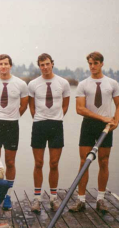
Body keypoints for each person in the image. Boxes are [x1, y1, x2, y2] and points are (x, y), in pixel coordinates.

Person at [69, 52, 119, 213]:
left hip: (106, 128)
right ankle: (81, 200)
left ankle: (101, 199)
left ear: (101, 64)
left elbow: (118, 105)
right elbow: (80, 109)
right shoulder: (83, 84)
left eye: (95, 63)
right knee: (84, 162)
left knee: (103, 162)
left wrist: (115, 121)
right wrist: (103, 118)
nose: (92, 66)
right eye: (90, 63)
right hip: (89, 125)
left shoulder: (112, 83)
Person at [0, 54, 28, 210]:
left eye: (6, 64)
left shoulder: (21, 84)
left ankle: (8, 195)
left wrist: (12, 116)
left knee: (9, 162)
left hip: (12, 126)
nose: (3, 66)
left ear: (10, 65)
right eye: (1, 64)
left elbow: (24, 105)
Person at [28, 53, 70, 212]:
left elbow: (66, 105)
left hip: (56, 126)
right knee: (38, 163)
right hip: (39, 125)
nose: (45, 67)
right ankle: (37, 199)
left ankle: (53, 198)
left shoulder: (63, 83)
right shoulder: (33, 84)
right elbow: (31, 106)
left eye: (47, 64)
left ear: (52, 64)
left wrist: (57, 117)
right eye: (42, 65)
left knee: (54, 163)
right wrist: (39, 118)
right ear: (39, 66)